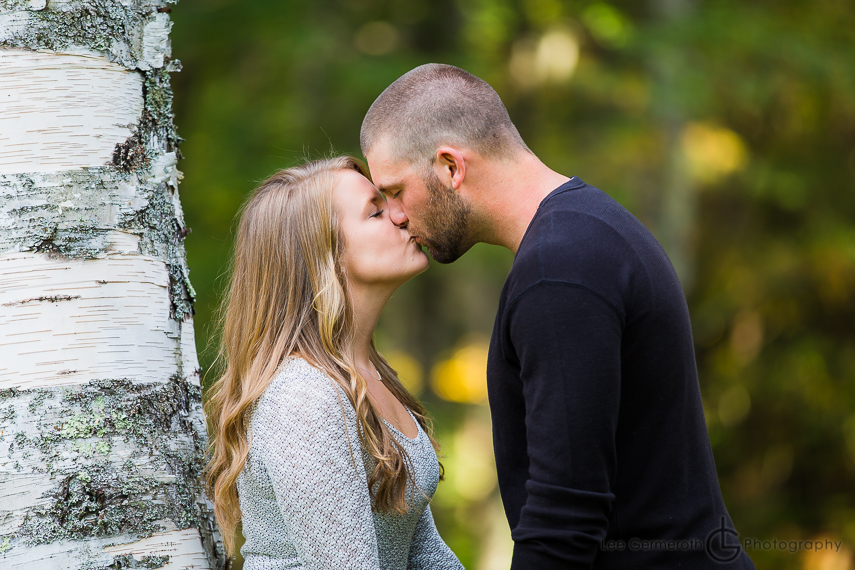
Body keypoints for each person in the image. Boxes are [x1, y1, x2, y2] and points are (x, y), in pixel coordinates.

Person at [360, 64, 755, 569]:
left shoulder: (558, 270)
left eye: (395, 190)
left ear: (450, 168)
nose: (394, 215)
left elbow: (563, 521)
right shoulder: (587, 231)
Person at [204, 157, 464, 570]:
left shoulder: (372, 377)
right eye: (376, 212)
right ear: (325, 255)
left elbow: (422, 552)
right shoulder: (304, 396)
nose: (401, 216)